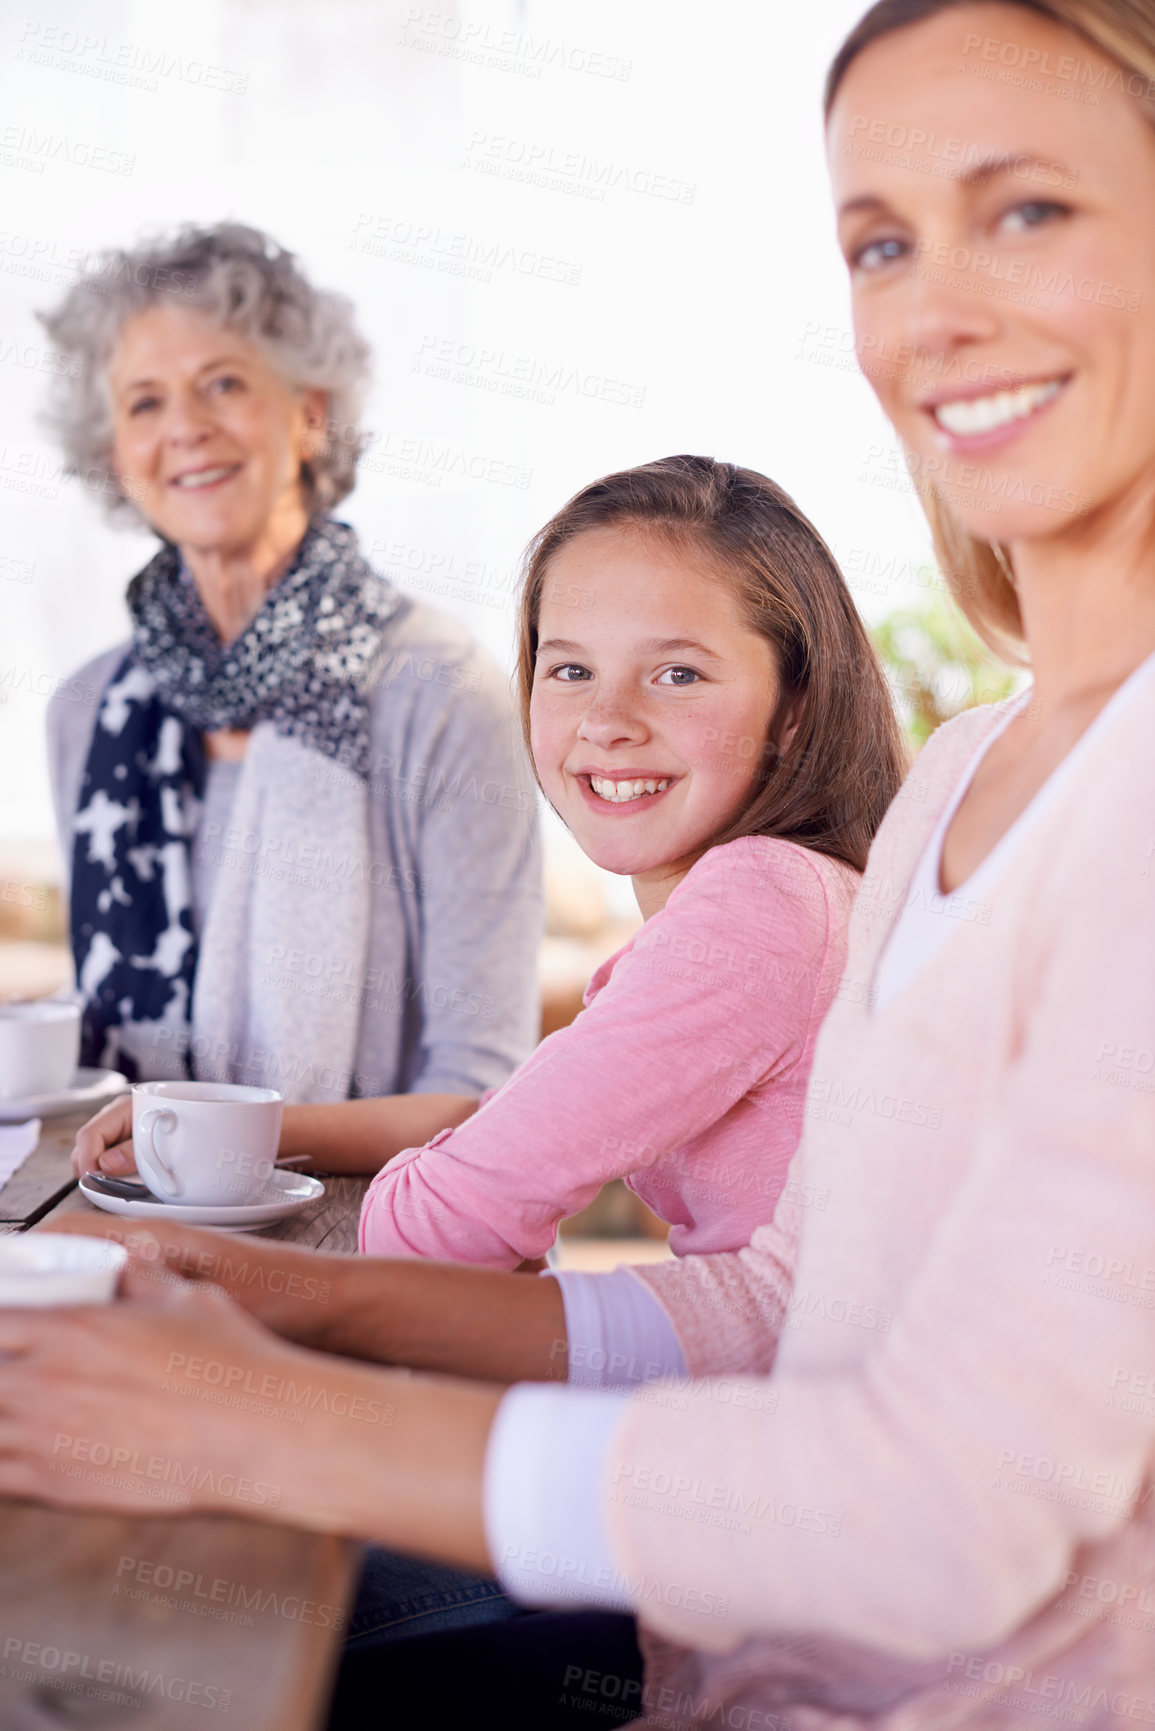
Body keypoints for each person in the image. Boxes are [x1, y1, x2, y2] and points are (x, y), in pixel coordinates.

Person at [7, 1, 1155, 1726]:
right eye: (879, 240)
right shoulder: (967, 778)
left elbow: (948, 1515)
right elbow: (776, 1297)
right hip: (715, 1659)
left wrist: (263, 1409)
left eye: (1029, 211)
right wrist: (271, 1302)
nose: (937, 305)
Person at [72, 455, 905, 1269]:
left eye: (677, 673)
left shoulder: (756, 905)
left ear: (795, 708)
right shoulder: (788, 894)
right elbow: (501, 1121)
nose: (606, 719)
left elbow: (435, 1224)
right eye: (571, 668)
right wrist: (249, 1128)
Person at [40, 221, 541, 1124]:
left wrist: (234, 1148)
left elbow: (485, 1092)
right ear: (115, 451)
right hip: (133, 1221)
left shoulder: (443, 693)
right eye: (144, 402)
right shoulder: (84, 712)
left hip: (377, 1238)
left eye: (223, 383)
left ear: (309, 414)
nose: (185, 427)